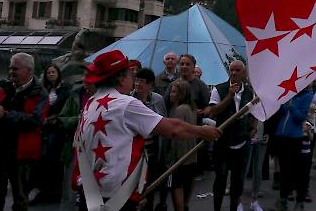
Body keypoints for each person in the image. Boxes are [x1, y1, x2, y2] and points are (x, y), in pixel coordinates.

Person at [73, 50, 221, 211]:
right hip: (116, 194)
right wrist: (202, 131)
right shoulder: (126, 103)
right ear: (121, 78)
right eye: (131, 75)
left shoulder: (91, 102)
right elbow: (172, 129)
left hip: (89, 191)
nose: (134, 80)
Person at [0, 52, 49, 211]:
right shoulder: (6, 87)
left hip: (22, 152)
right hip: (0, 148)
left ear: (29, 70)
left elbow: (35, 120)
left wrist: (6, 115)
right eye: (10, 68)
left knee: (20, 195)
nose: (11, 72)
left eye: (15, 69)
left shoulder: (40, 93)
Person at [199, 60, 254, 211]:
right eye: (232, 70)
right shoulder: (219, 89)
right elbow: (213, 111)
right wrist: (229, 96)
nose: (234, 73)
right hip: (222, 143)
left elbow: (254, 112)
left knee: (238, 182)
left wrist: (253, 128)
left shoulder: (249, 92)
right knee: (220, 180)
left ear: (244, 73)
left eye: (237, 70)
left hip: (242, 143)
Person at [30, 64, 71, 204]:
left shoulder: (65, 89)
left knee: (53, 158)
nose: (51, 74)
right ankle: (42, 189)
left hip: (57, 127)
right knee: (42, 159)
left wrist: (55, 117)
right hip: (44, 127)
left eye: (53, 72)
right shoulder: (44, 90)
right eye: (49, 72)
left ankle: (54, 191)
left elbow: (65, 106)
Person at [54, 81, 97, 211]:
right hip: (74, 148)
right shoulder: (75, 96)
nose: (87, 84)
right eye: (85, 81)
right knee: (70, 189)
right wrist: (77, 118)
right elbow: (61, 119)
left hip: (96, 149)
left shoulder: (105, 97)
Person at [132, 68, 168, 211]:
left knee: (150, 185)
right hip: (135, 151)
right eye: (136, 80)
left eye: (141, 81)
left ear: (150, 84)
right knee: (135, 186)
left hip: (153, 149)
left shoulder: (158, 100)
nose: (137, 84)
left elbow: (164, 121)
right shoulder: (129, 99)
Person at [272, 87, 313, 211]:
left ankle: (299, 201)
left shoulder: (307, 95)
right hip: (282, 137)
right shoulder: (289, 94)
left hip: (296, 139)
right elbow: (282, 113)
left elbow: (300, 117)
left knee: (300, 172)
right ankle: (282, 200)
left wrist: (290, 105)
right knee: (285, 171)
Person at [166, 80, 198, 211]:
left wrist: (171, 158)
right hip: (191, 154)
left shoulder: (179, 110)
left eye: (174, 92)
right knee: (188, 183)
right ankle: (185, 206)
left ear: (181, 94)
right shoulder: (192, 109)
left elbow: (176, 135)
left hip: (179, 156)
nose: (170, 95)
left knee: (176, 186)